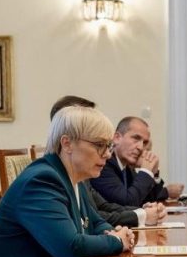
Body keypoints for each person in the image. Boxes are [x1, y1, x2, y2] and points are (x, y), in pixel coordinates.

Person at [0, 106, 134, 257]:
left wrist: (114, 232)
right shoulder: (41, 181)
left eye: (109, 146)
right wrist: (117, 240)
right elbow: (70, 247)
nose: (107, 154)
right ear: (67, 144)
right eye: (99, 145)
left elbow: (96, 222)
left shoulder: (74, 178)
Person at [50, 96, 166, 227]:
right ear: (67, 141)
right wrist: (141, 215)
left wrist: (142, 212)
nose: (107, 154)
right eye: (99, 144)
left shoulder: (81, 174)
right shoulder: (48, 178)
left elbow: (101, 210)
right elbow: (122, 203)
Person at [90, 116, 184, 206]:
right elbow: (127, 202)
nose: (141, 147)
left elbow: (147, 199)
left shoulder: (126, 166)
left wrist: (153, 173)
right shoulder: (104, 163)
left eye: (145, 142)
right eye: (136, 138)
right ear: (117, 138)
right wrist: (146, 171)